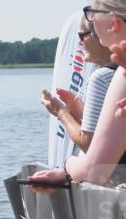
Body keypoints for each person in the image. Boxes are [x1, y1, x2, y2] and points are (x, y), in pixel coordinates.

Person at [30, 0, 126, 191]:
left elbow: (95, 171)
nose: (91, 21)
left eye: (92, 12)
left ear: (114, 21)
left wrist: (67, 166)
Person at [40, 17, 115, 152]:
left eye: (82, 36)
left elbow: (89, 144)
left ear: (99, 35)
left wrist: (61, 113)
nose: (79, 43)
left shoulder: (101, 77)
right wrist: (82, 114)